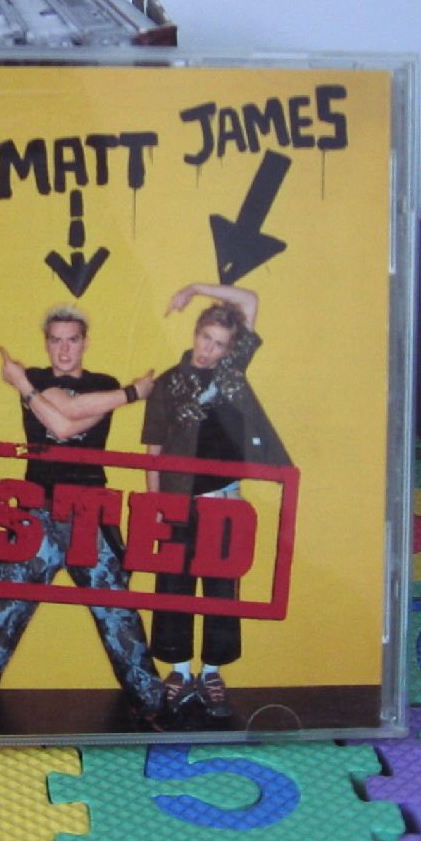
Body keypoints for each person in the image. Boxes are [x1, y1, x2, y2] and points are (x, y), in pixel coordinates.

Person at [0, 304, 162, 733]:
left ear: (85, 343)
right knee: (5, 607)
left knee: (118, 611)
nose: (63, 349)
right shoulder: (38, 379)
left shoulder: (101, 384)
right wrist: (133, 392)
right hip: (36, 509)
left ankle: (151, 702)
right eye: (56, 340)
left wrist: (28, 390)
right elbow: (62, 424)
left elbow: (67, 419)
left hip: (90, 511)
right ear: (46, 343)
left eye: (72, 340)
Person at [140, 282, 290, 721]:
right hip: (178, 500)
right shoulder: (169, 383)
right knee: (174, 586)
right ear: (195, 333)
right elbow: (153, 452)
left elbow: (251, 300)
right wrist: (156, 507)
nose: (209, 349)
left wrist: (194, 288)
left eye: (220, 344)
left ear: (229, 349)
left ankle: (211, 673)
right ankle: (179, 671)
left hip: (224, 500)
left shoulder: (230, 373)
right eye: (206, 337)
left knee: (221, 588)